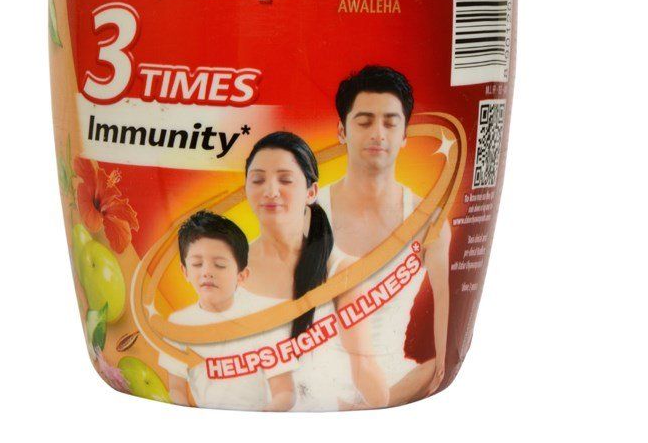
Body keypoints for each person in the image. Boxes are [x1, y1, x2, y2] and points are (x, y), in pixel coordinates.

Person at [317, 65, 451, 406]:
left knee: (436, 367)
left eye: (390, 123)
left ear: (405, 135)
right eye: (364, 122)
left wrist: (441, 368)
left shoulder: (429, 220)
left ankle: (360, 407)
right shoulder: (307, 214)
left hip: (392, 377)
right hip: (316, 375)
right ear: (342, 131)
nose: (378, 134)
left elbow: (444, 311)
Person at [243, 131, 388, 410]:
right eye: (258, 180)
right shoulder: (229, 266)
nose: (270, 191)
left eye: (285, 180)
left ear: (311, 192)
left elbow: (364, 365)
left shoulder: (339, 271)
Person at [158, 210, 296, 411]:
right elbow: (176, 390)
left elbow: (285, 393)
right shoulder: (178, 324)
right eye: (197, 264)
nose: (207, 272)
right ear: (185, 271)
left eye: (220, 265)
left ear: (242, 275)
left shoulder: (263, 318)